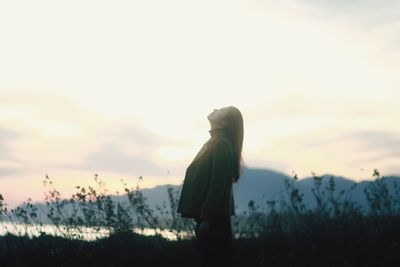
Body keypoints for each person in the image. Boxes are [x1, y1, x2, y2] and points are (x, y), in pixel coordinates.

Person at [177, 106, 244, 267]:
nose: (216, 109)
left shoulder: (221, 144)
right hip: (211, 218)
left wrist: (206, 219)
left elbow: (217, 186)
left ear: (224, 122)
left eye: (221, 110)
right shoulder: (214, 142)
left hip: (214, 220)